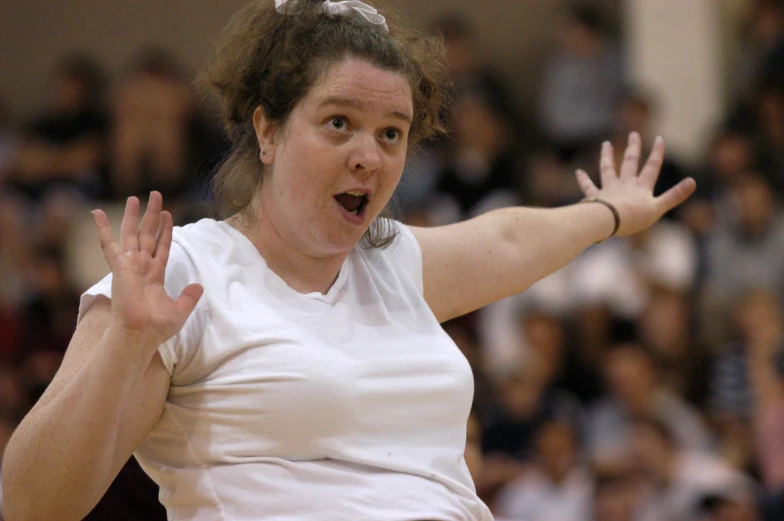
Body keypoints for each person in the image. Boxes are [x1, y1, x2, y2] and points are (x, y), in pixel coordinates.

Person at [0, 1, 696, 520]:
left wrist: (610, 213)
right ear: (267, 129)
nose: (369, 153)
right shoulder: (178, 271)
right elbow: (30, 504)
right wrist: (126, 343)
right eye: (339, 123)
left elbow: (508, 241)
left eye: (391, 132)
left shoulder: (391, 259)